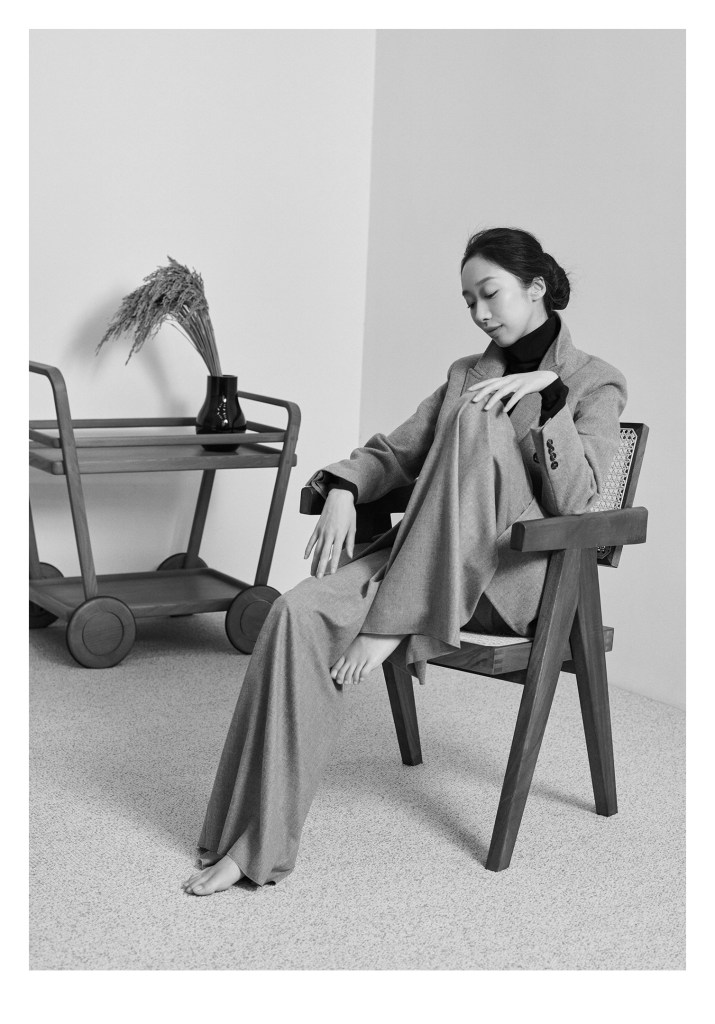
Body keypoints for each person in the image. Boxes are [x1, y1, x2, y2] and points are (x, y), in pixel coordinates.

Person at [182, 227, 627, 896]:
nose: (480, 313)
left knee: (477, 421)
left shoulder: (594, 382)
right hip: (423, 564)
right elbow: (396, 453)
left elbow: (580, 501)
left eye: (490, 294)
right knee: (296, 613)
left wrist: (553, 396)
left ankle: (393, 622)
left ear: (535, 287)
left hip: (513, 577)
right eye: (468, 301)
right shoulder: (466, 374)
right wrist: (341, 486)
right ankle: (253, 847)